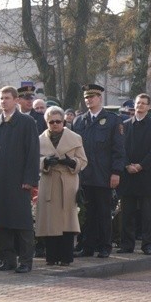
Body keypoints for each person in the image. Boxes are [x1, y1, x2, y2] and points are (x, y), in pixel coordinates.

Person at [0, 86, 40, 273]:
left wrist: (29, 179)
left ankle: (26, 261)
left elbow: (32, 153)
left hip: (19, 181)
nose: (3, 101)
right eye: (1, 98)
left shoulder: (26, 122)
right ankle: (8, 259)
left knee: (22, 223)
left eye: (7, 98)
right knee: (1, 222)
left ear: (16, 100)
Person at [72, 84, 126, 258]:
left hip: (103, 175)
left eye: (92, 97)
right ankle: (87, 246)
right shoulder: (79, 121)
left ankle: (104, 246)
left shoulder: (112, 120)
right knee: (87, 213)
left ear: (100, 98)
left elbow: (118, 149)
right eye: (87, 97)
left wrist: (116, 172)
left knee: (103, 213)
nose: (89, 100)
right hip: (84, 175)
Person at [36, 106, 88, 266]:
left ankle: (66, 257)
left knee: (67, 220)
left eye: (58, 121)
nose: (55, 124)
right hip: (49, 180)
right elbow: (33, 159)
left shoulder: (75, 137)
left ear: (63, 121)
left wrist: (73, 162)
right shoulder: (40, 139)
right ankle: (51, 256)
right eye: (51, 122)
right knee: (50, 221)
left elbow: (84, 160)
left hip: (67, 180)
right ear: (46, 122)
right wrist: (44, 162)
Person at [117, 93, 151, 255]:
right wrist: (127, 165)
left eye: (144, 103)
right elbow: (120, 148)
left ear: (149, 107)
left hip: (146, 175)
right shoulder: (124, 125)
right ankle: (126, 245)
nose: (140, 106)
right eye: (138, 103)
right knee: (127, 213)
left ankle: (147, 244)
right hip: (127, 175)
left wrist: (141, 165)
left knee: (147, 215)